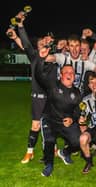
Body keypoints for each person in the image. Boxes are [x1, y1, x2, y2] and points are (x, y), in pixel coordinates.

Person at [6, 12, 56, 164]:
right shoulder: (34, 56)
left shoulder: (56, 59)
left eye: (46, 43)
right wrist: (20, 25)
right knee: (35, 125)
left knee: (52, 125)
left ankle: (51, 148)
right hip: (38, 98)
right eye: (41, 43)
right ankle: (30, 152)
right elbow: (26, 43)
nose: (43, 45)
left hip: (52, 98)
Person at [37, 63, 82, 177]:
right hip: (50, 121)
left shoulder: (77, 92)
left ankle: (64, 153)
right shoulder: (53, 85)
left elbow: (78, 111)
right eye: (66, 72)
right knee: (49, 142)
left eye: (71, 73)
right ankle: (49, 166)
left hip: (66, 124)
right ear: (61, 75)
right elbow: (40, 76)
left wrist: (72, 119)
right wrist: (41, 59)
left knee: (79, 142)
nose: (69, 74)